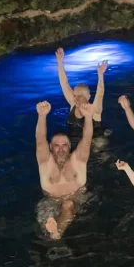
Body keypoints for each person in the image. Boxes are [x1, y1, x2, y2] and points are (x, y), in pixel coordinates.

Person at [35, 100, 93, 239]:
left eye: (64, 145)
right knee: (45, 227)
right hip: (50, 200)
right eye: (56, 145)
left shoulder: (78, 160)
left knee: (68, 204)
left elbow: (86, 139)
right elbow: (40, 140)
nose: (61, 149)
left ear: (69, 146)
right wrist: (42, 116)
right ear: (50, 147)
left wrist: (89, 117)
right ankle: (52, 236)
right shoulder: (45, 162)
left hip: (76, 198)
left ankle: (57, 233)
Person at [55, 47, 108, 137]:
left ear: (88, 97)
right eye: (75, 95)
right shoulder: (73, 104)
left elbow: (100, 94)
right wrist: (60, 62)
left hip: (94, 140)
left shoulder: (95, 110)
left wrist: (100, 75)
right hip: (74, 138)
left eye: (80, 96)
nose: (76, 98)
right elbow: (64, 84)